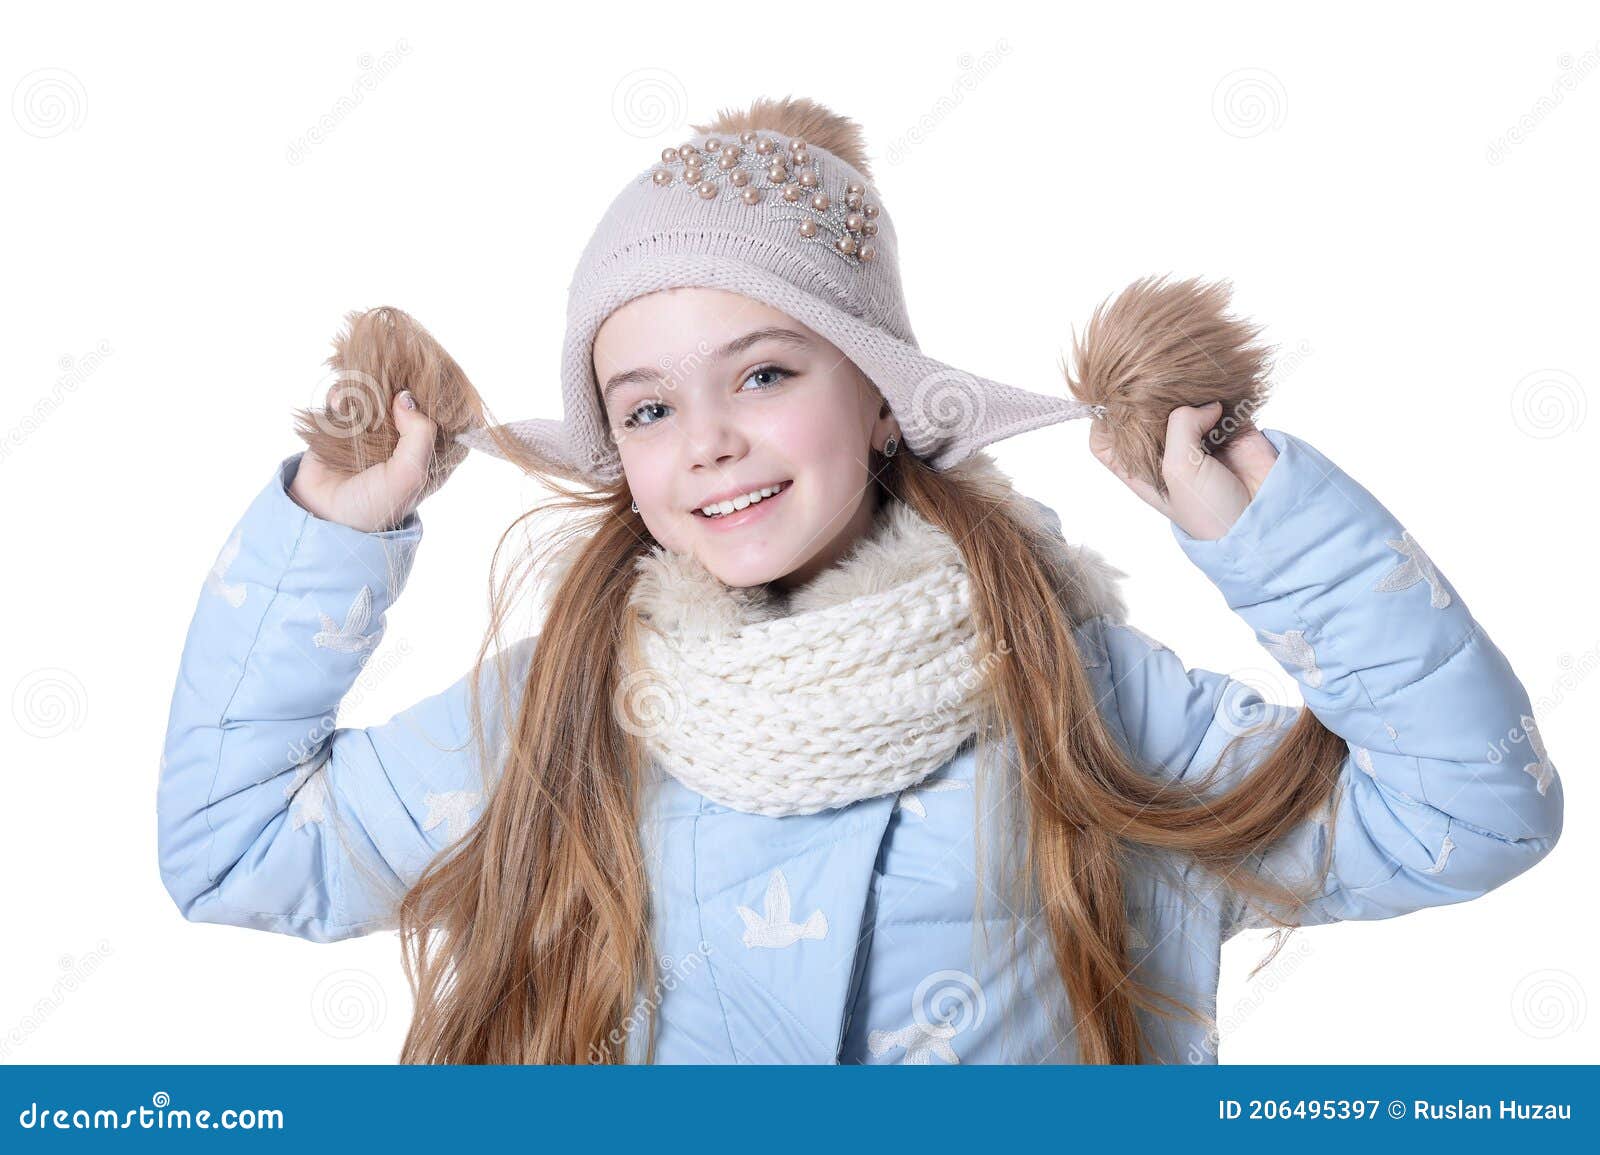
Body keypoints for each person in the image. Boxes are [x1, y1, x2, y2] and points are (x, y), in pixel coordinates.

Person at [157, 96, 1563, 1065]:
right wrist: (329, 532)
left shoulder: (1077, 695)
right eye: (645, 408)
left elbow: (1470, 814)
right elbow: (235, 854)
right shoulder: (569, 708)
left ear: (885, 400)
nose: (706, 440)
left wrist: (1271, 528)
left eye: (764, 375)